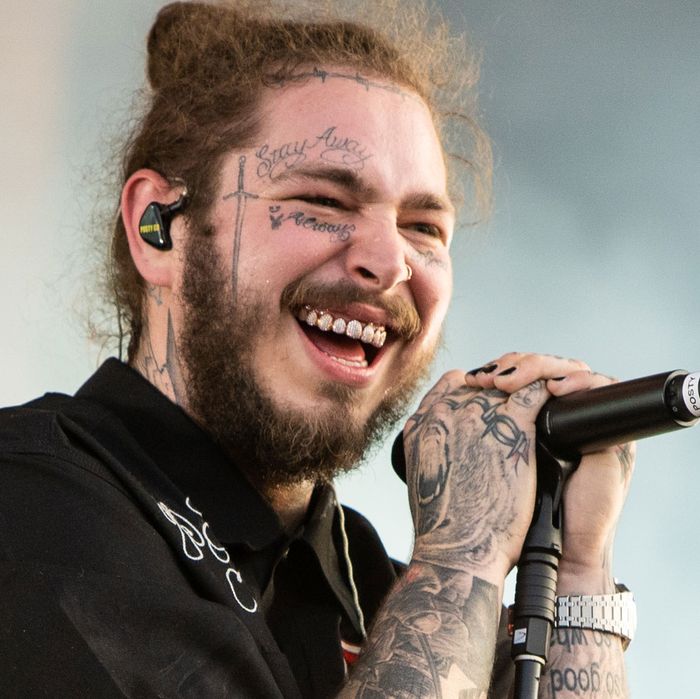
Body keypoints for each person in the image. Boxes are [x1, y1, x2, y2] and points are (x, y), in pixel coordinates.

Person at [0, 2, 635, 697]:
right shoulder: (31, 502)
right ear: (160, 230)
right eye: (325, 201)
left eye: (424, 225)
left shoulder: (377, 588)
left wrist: (579, 568)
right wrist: (466, 555)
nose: (391, 261)